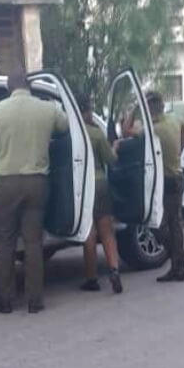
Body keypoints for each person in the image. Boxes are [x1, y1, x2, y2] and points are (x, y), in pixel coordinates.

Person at [0, 69, 69, 314]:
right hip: (37, 183)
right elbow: (65, 129)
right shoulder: (47, 109)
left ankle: (5, 300)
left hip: (6, 183)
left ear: (9, 87)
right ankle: (35, 300)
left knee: (5, 242)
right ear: (28, 86)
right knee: (33, 242)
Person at [77, 93, 123, 294]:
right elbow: (111, 159)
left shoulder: (71, 133)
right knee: (106, 230)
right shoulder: (96, 134)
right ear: (86, 111)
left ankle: (91, 278)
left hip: (82, 186)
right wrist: (115, 146)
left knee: (89, 232)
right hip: (101, 184)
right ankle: (114, 270)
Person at [148, 90, 184, 282]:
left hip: (167, 182)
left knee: (159, 225)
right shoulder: (174, 120)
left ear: (150, 109)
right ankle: (177, 265)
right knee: (174, 224)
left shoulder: (153, 129)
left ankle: (177, 257)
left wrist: (133, 109)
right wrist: (180, 148)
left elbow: (126, 130)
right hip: (178, 177)